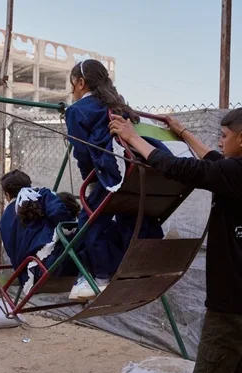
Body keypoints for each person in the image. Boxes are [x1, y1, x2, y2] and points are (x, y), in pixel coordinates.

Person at [109, 107, 242, 373]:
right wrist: (183, 132)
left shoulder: (235, 173)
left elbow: (178, 168)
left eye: (223, 136)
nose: (219, 142)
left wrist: (133, 137)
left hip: (232, 303)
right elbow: (214, 161)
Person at [65, 59, 171, 301]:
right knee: (133, 215)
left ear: (80, 83)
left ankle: (100, 277)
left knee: (89, 221)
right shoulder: (120, 106)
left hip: (113, 170)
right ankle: (146, 263)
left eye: (72, 85)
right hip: (139, 169)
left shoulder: (77, 111)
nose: (72, 91)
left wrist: (90, 180)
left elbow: (82, 153)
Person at [0, 170, 82, 295]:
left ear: (7, 194)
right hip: (56, 263)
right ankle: (100, 275)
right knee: (90, 232)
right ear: (29, 184)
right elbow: (62, 218)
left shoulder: (4, 219)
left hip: (30, 276)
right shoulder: (41, 195)